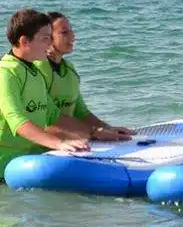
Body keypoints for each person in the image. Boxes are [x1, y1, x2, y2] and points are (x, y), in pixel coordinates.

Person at [0, 9, 91, 177]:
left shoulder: (34, 71)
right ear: (24, 41)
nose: (50, 44)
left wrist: (94, 133)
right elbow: (17, 121)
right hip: (6, 168)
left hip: (31, 161)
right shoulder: (6, 73)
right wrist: (59, 143)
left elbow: (53, 115)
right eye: (45, 39)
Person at [38, 13, 131, 141]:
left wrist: (107, 129)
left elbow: (81, 112)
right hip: (38, 147)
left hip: (65, 142)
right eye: (64, 32)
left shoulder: (69, 69)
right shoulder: (37, 70)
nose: (73, 36)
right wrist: (93, 133)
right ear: (47, 38)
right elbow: (45, 121)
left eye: (71, 30)